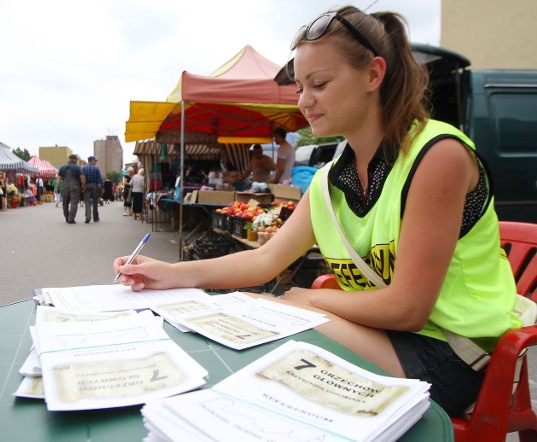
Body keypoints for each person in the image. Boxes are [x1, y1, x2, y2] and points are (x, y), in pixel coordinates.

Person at [114, 6, 521, 416]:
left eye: (320, 84)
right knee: (264, 322)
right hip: (382, 334)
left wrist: (312, 299)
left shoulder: (436, 156)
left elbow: (408, 308)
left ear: (373, 75)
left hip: (456, 354)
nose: (305, 101)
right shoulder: (328, 182)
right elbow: (265, 259)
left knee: (274, 327)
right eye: (300, 88)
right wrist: (169, 274)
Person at [56, 154, 85, 224]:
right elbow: (82, 178)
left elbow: (59, 178)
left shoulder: (62, 167)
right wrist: (83, 186)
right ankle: (71, 219)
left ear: (69, 159)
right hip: (75, 186)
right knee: (74, 202)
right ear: (75, 159)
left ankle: (67, 217)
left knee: (65, 203)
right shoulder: (77, 167)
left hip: (65, 187)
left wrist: (58, 187)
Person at [82, 155, 104, 223]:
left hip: (86, 186)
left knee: (87, 202)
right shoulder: (96, 168)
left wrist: (82, 186)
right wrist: (102, 187)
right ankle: (95, 217)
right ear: (91, 160)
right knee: (95, 202)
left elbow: (82, 178)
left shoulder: (83, 168)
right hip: (95, 186)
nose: (95, 162)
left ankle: (88, 216)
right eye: (95, 160)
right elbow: (100, 178)